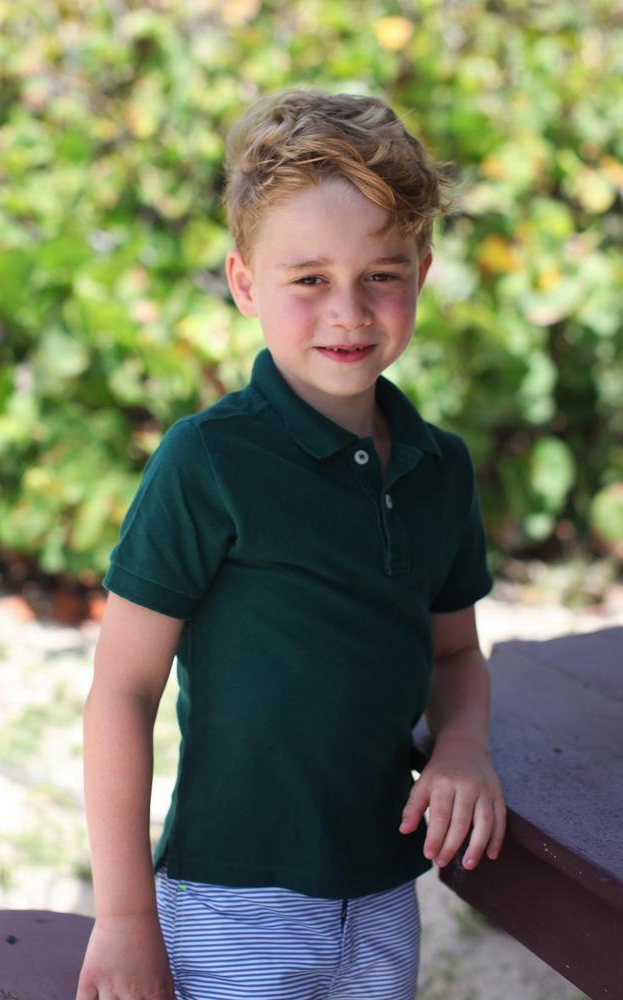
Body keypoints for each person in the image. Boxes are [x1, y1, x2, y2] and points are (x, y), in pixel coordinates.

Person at [76, 87, 506, 1000]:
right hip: (232, 897)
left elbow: (457, 654)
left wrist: (465, 746)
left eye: (380, 274)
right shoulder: (208, 463)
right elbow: (122, 690)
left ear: (421, 272)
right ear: (244, 283)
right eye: (308, 279)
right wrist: (122, 919)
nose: (348, 311)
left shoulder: (440, 469)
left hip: (385, 894)